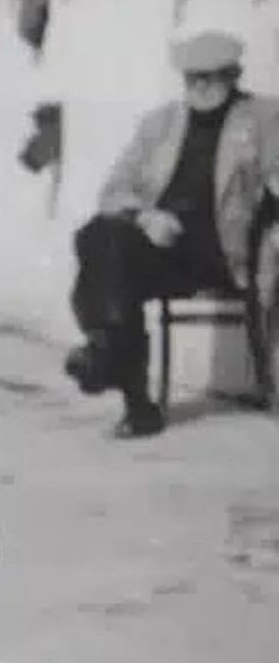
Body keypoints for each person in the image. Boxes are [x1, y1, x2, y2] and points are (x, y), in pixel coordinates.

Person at [66, 30, 279, 436]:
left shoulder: (264, 119)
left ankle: (115, 371)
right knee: (98, 235)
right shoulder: (161, 123)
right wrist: (147, 217)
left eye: (209, 77)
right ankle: (110, 354)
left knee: (106, 257)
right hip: (160, 247)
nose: (198, 86)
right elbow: (114, 189)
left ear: (233, 75)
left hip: (222, 252)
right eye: (191, 77)